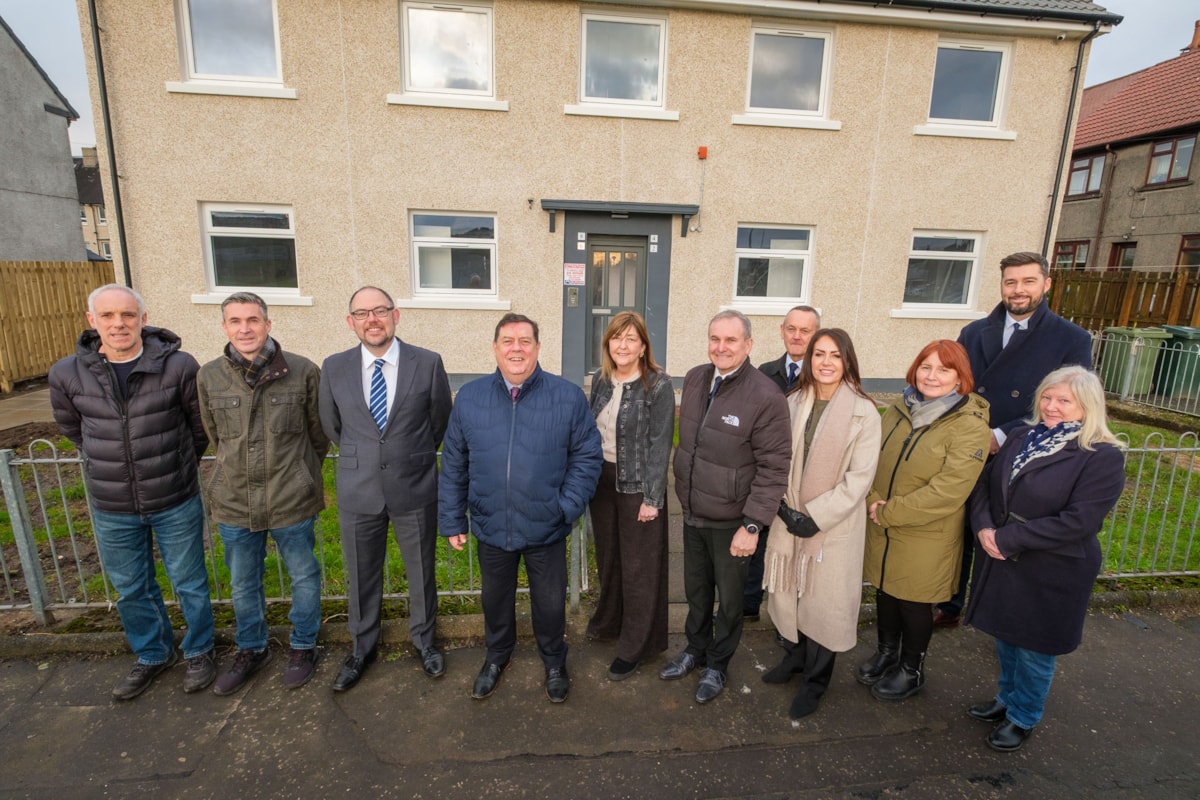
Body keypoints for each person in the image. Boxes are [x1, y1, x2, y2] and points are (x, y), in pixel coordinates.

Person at [49, 284, 216, 700]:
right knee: (131, 587)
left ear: (143, 319)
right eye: (107, 316)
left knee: (189, 580)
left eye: (127, 315)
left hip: (174, 496)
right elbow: (75, 430)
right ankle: (153, 653)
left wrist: (174, 465)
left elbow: (199, 429)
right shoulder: (66, 374)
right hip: (112, 504)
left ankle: (199, 650)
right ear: (93, 321)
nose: (118, 324)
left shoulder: (178, 366)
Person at [439, 313, 602, 703]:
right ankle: (497, 657)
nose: (516, 348)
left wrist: (566, 507)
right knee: (495, 599)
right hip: (491, 522)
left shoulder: (566, 397)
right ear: (495, 348)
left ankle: (554, 661)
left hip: (546, 524)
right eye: (508, 341)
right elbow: (455, 461)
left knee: (549, 602)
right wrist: (451, 517)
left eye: (525, 341)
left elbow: (587, 456)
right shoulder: (471, 398)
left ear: (538, 348)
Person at [963, 366, 1124, 752]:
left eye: (1064, 401)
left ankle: (1023, 716)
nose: (1052, 407)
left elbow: (1079, 521)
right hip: (1002, 554)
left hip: (1053, 566)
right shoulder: (1022, 436)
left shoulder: (1101, 457)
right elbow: (984, 486)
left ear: (1087, 406)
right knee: (1006, 636)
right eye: (1047, 398)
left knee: (1035, 648)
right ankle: (1006, 699)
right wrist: (984, 528)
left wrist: (1008, 537)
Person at [936, 251, 1094, 627]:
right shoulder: (973, 333)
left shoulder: (1071, 339)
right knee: (958, 527)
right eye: (1011, 282)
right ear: (1001, 285)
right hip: (969, 447)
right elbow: (956, 388)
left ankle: (1002, 614)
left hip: (1029, 455)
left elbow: (1070, 402)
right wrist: (971, 433)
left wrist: (1003, 435)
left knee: (1007, 534)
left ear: (1047, 284)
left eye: (1028, 281)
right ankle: (949, 602)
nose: (1018, 290)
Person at [319, 286, 452, 691]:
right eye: (362, 313)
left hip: (413, 486)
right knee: (361, 574)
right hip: (359, 489)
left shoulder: (427, 363)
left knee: (421, 571)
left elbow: (439, 421)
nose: (372, 319)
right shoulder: (334, 366)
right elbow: (333, 426)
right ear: (351, 322)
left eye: (380, 311)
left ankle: (425, 642)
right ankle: (361, 648)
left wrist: (407, 456)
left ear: (396, 315)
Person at [197, 292, 330, 694]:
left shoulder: (303, 371)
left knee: (304, 575)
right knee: (242, 582)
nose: (245, 328)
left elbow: (318, 435)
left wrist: (301, 474)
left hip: (291, 498)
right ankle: (251, 648)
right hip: (236, 500)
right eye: (235, 321)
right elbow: (214, 435)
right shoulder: (209, 376)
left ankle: (304, 644)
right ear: (224, 327)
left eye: (253, 320)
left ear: (268, 324)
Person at [664, 310, 791, 705]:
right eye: (715, 338)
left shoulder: (766, 397)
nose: (721, 347)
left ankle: (718, 664)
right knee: (697, 592)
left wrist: (753, 525)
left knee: (731, 601)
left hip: (734, 521)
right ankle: (694, 651)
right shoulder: (695, 377)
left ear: (748, 345)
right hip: (694, 511)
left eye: (731, 340)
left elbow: (774, 468)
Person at [858, 340, 990, 701]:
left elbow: (949, 490)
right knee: (886, 589)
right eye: (926, 366)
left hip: (925, 531)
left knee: (914, 600)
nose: (932, 376)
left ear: (960, 378)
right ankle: (887, 652)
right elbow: (872, 458)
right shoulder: (900, 409)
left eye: (944, 369)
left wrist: (887, 512)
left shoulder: (969, 425)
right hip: (882, 520)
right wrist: (871, 499)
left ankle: (911, 669)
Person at [762, 328, 880, 719]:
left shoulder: (865, 412)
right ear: (808, 359)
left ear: (847, 361)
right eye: (819, 354)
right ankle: (794, 658)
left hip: (832, 526)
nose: (826, 362)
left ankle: (815, 681)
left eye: (835, 355)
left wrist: (815, 518)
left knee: (823, 604)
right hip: (788, 516)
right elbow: (773, 457)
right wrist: (781, 507)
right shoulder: (792, 401)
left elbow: (859, 479)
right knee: (790, 592)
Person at [586, 312, 675, 680]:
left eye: (630, 339)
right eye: (616, 338)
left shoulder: (657, 384)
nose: (622, 345)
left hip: (639, 485)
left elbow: (659, 445)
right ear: (608, 344)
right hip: (602, 483)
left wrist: (653, 499)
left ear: (642, 347)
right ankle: (610, 621)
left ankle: (637, 644)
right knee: (610, 559)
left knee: (639, 568)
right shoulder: (601, 381)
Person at [747, 305, 821, 621]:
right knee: (757, 540)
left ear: (816, 334)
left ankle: (788, 617)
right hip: (765, 474)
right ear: (781, 330)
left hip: (804, 478)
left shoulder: (823, 374)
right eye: (791, 328)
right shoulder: (765, 372)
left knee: (793, 548)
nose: (797, 336)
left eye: (805, 331)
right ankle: (748, 605)